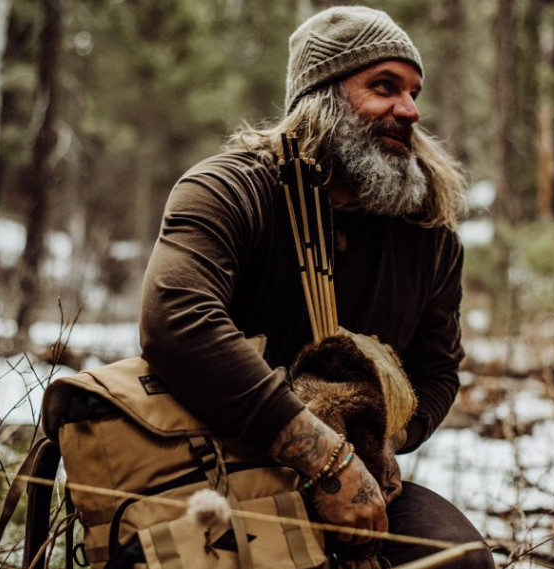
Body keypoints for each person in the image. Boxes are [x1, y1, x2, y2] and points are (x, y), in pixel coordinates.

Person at [140, 6, 494, 568]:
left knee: (459, 561)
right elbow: (176, 322)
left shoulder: (428, 233)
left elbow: (437, 369)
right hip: (214, 469)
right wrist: (322, 454)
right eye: (384, 87)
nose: (409, 110)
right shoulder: (227, 189)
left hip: (355, 469)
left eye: (413, 91)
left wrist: (379, 445)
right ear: (322, 96)